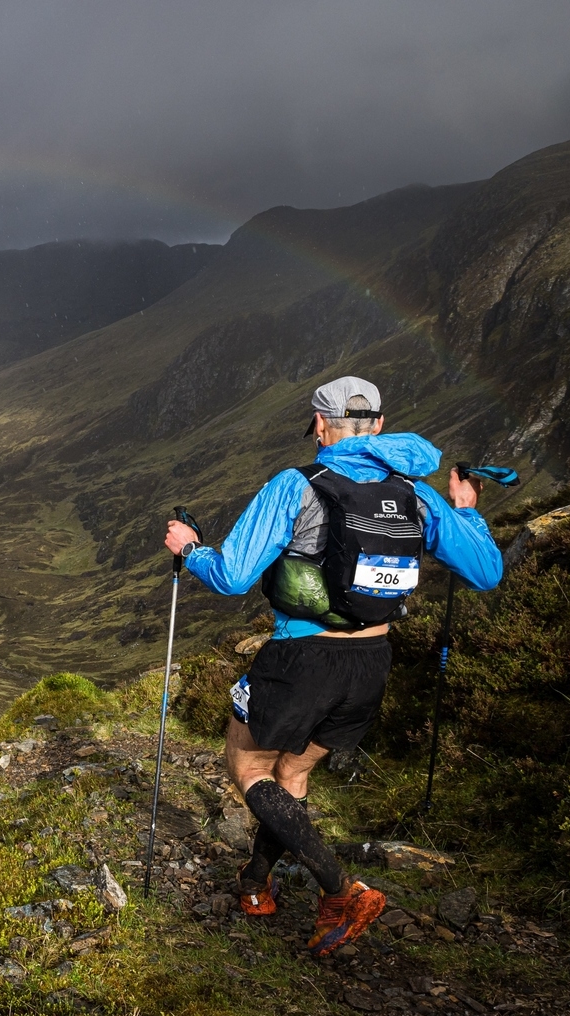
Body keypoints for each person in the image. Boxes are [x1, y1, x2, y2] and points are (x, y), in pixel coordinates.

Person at [161, 376, 503, 956]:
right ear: (379, 422)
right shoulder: (416, 494)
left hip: (302, 656)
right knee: (293, 776)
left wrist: (190, 548)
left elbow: (233, 576)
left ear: (321, 426)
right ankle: (255, 884)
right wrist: (466, 512)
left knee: (249, 769)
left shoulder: (296, 486)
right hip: (371, 660)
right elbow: (487, 573)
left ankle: (341, 889)